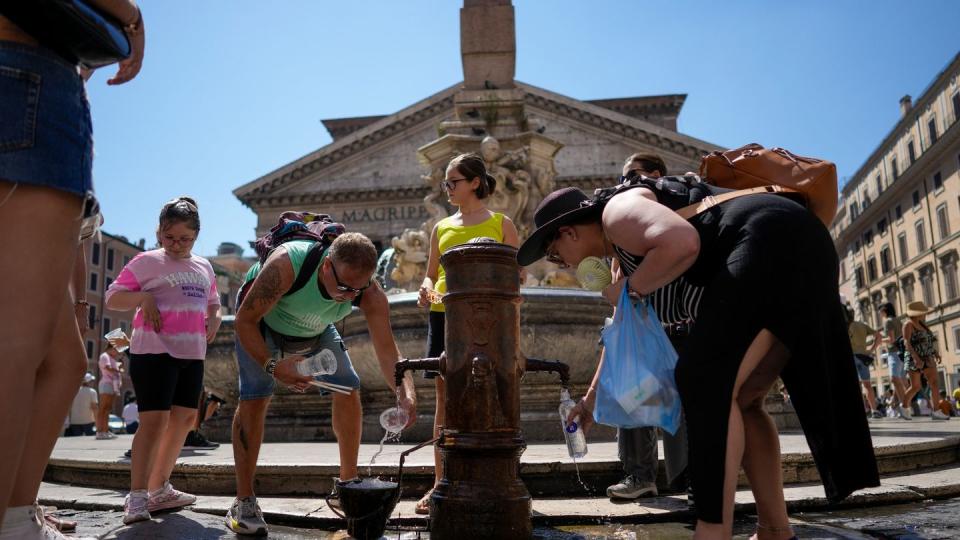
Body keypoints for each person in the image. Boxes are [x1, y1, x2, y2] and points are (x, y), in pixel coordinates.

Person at [517, 173, 879, 538]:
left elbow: (683, 242)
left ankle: (712, 531)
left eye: (553, 253)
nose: (558, 264)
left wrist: (631, 288)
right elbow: (621, 338)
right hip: (799, 242)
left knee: (702, 381)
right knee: (744, 397)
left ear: (569, 233)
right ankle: (774, 530)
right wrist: (589, 403)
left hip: (773, 241)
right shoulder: (621, 256)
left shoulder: (617, 212)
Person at [0, 2, 144, 537]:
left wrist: (79, 303)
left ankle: (15, 514)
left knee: (61, 359)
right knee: (12, 350)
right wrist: (127, 16)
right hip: (24, 68)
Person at [228, 231, 417, 536]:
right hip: (261, 323)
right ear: (326, 265)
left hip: (314, 328)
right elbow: (243, 321)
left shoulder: (367, 291)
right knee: (255, 396)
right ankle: (244, 500)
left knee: (348, 386)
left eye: (357, 291)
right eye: (343, 287)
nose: (348, 296)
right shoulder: (287, 263)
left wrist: (407, 395)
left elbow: (387, 350)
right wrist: (274, 366)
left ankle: (347, 485)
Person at [105, 197, 222, 525]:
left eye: (186, 239)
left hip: (192, 353)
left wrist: (215, 315)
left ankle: (160, 489)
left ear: (197, 236)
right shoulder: (146, 262)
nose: (177, 245)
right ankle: (137, 496)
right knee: (154, 421)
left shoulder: (204, 266)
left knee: (185, 420)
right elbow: (113, 297)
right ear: (159, 232)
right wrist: (143, 297)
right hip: (153, 351)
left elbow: (213, 302)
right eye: (170, 238)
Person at [415, 153, 521, 514]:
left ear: (475, 182)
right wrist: (426, 290)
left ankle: (503, 477)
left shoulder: (502, 223)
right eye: (445, 183)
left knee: (498, 393)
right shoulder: (441, 227)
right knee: (445, 402)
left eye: (452, 182)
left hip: (491, 320)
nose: (446, 188)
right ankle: (438, 483)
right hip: (445, 316)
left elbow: (517, 278)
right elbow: (430, 274)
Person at [602, 154, 689, 502]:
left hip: (677, 322)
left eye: (633, 176)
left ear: (657, 176)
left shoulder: (679, 213)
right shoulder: (625, 225)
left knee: (678, 407)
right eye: (622, 178)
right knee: (634, 396)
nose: (625, 184)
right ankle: (640, 476)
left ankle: (687, 480)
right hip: (641, 324)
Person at [900, 301, 949, 421]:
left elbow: (928, 342)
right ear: (917, 313)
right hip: (912, 357)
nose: (925, 314)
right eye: (923, 312)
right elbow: (907, 343)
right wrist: (916, 358)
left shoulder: (923, 325)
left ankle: (936, 411)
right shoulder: (908, 324)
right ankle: (904, 407)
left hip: (927, 356)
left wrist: (935, 352)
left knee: (934, 383)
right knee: (916, 386)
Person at [845, 308, 883, 418]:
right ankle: (874, 410)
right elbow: (879, 336)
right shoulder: (862, 325)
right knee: (867, 385)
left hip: (851, 357)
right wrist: (871, 350)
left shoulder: (845, 326)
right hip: (863, 357)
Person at [879, 303, 910, 419]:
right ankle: (909, 406)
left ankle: (905, 407)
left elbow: (891, 340)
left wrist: (880, 339)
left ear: (884, 310)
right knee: (904, 382)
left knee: (894, 379)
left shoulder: (888, 322)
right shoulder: (898, 320)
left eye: (880, 310)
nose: (879, 313)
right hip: (903, 353)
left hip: (894, 352)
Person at [96, 345, 125, 439]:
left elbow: (117, 368)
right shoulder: (105, 356)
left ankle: (105, 431)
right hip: (106, 384)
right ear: (111, 348)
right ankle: (99, 432)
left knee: (107, 409)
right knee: (103, 408)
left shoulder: (112, 358)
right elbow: (108, 368)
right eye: (116, 350)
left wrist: (120, 363)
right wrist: (118, 369)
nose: (117, 352)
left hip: (111, 385)